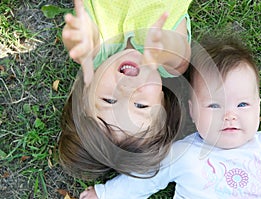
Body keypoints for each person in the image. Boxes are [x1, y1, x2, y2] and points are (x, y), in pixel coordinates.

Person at [79, 34, 261, 199]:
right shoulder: (182, 152)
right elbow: (147, 178)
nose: (230, 115)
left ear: (258, 108)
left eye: (243, 104)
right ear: (193, 111)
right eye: (214, 105)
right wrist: (106, 194)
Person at [58, 0, 192, 180]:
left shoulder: (95, 52)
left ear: (86, 90)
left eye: (109, 100)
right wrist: (163, 49)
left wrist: (80, 39)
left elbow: (86, 40)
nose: (127, 88)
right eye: (140, 105)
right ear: (163, 102)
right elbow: (178, 54)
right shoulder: (173, 65)